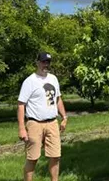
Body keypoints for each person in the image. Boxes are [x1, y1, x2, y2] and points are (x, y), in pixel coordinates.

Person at [17, 52, 68, 181]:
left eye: (48, 62)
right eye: (43, 62)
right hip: (34, 124)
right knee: (33, 158)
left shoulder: (53, 79)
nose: (46, 64)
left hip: (52, 123)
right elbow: (21, 105)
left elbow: (58, 99)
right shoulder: (30, 81)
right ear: (37, 62)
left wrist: (64, 117)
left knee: (55, 156)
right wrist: (22, 128)